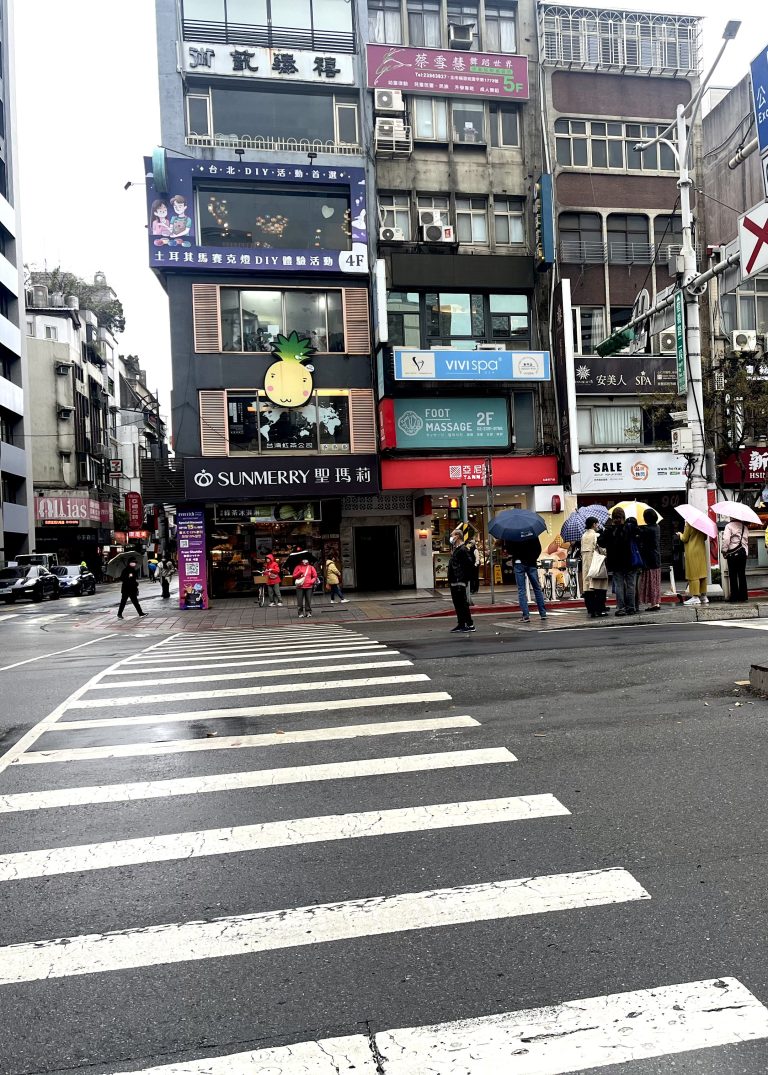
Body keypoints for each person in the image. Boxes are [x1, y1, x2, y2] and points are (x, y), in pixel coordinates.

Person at [600, 507, 642, 616]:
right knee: (631, 585)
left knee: (619, 585)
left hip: (616, 562)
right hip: (630, 561)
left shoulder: (609, 530)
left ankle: (621, 608)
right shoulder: (630, 527)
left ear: (613, 518)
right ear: (624, 516)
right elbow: (640, 535)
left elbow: (601, 543)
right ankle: (631, 607)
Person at [506, 533, 547, 624]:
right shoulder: (532, 533)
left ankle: (526, 615)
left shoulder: (512, 533)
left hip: (518, 562)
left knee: (521, 589)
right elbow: (538, 549)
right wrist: (532, 558)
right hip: (531, 563)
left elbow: (509, 550)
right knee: (537, 588)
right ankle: (543, 613)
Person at [447, 528, 475, 633]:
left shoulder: (463, 549)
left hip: (459, 580)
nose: (451, 537)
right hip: (455, 580)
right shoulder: (457, 549)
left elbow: (469, 564)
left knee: (462, 603)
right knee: (457, 603)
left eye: (452, 535)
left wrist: (463, 578)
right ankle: (461, 624)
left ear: (457, 536)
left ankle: (470, 624)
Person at [581, 517, 609, 618]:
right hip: (596, 565)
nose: (598, 526)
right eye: (597, 524)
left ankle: (590, 609)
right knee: (599, 588)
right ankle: (600, 609)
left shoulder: (584, 536)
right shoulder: (596, 535)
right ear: (593, 524)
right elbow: (602, 550)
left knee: (588, 588)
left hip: (586, 566)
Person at [677, 522, 709, 606]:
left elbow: (684, 538)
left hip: (692, 550)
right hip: (701, 550)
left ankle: (695, 597)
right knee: (702, 573)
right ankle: (703, 596)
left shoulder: (689, 523)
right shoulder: (702, 524)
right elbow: (705, 537)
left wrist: (680, 534)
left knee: (693, 574)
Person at [637, 509, 662, 611]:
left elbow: (640, 537)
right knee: (655, 582)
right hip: (656, 557)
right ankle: (656, 602)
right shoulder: (657, 527)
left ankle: (653, 604)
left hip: (649, 559)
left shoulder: (647, 529)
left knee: (650, 582)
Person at [721, 518, 749, 603]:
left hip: (732, 553)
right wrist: (746, 553)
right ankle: (743, 596)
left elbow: (726, 540)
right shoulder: (745, 527)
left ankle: (734, 597)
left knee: (732, 575)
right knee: (742, 575)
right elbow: (746, 541)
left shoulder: (729, 526)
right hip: (743, 553)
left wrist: (724, 551)